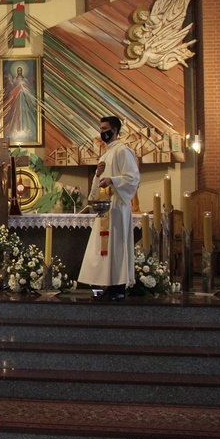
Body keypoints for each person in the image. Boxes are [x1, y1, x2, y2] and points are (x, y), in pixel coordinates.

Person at [79, 116, 140, 301]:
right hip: (104, 208)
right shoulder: (105, 155)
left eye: (105, 128)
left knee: (116, 246)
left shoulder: (123, 151)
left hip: (117, 208)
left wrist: (112, 180)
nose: (102, 132)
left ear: (114, 129)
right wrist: (98, 175)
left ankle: (118, 287)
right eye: (100, 128)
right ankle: (107, 285)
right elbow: (95, 192)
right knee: (104, 249)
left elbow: (133, 178)